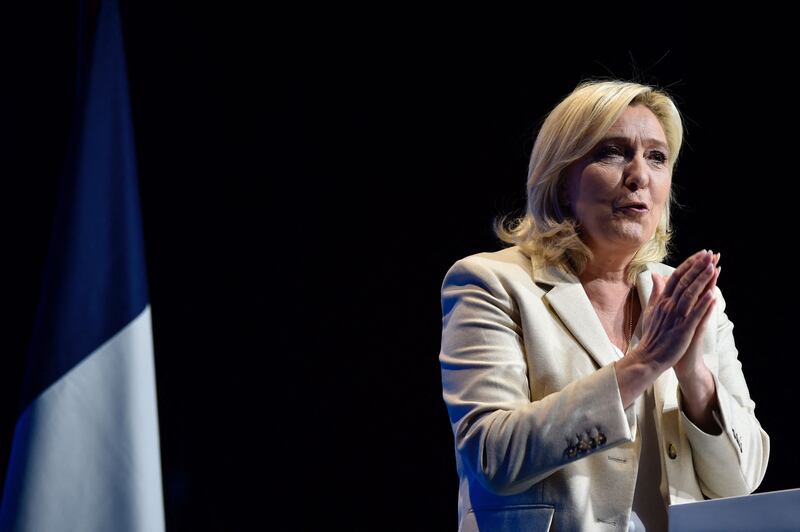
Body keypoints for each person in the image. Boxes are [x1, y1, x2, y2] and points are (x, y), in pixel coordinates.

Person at [438, 79, 770, 532]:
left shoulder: (686, 297)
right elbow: (493, 457)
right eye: (612, 152)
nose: (639, 175)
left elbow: (742, 481)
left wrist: (694, 377)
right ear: (560, 175)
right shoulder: (492, 283)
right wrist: (645, 363)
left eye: (657, 157)